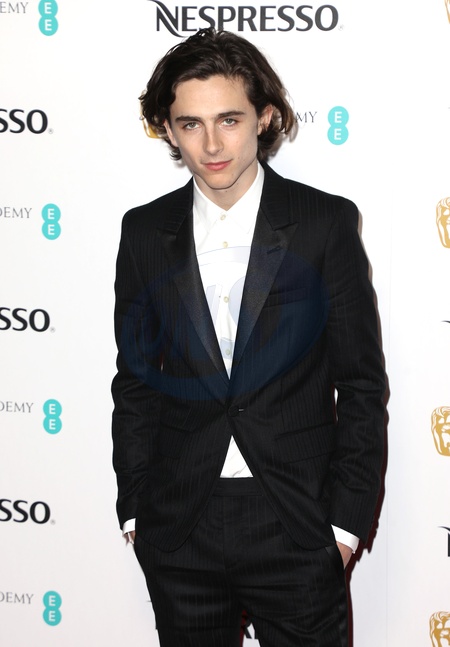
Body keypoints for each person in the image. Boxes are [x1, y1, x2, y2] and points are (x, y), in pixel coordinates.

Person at [112, 27, 385, 647]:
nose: (211, 144)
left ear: (264, 117)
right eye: (190, 124)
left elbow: (361, 385)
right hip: (180, 525)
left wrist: (343, 526)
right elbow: (136, 382)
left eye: (229, 120)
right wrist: (135, 508)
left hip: (296, 522)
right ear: (168, 129)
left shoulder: (323, 223)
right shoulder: (144, 231)